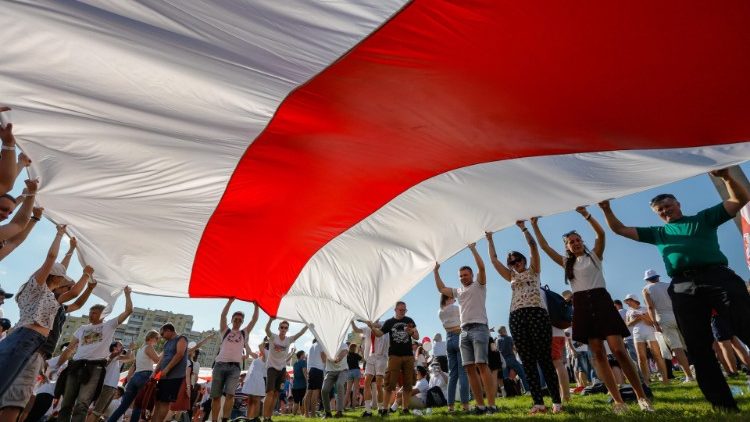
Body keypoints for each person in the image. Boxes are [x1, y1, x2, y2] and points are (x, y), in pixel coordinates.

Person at [599, 168, 750, 411]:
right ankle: (723, 405)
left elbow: (739, 200)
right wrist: (606, 209)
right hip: (682, 286)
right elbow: (620, 229)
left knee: (745, 324)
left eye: (668, 206)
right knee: (699, 347)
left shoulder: (703, 218)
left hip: (717, 276)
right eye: (660, 210)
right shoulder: (658, 233)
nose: (665, 211)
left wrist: (727, 178)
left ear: (678, 204)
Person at [532, 208, 653, 413]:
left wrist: (586, 215)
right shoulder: (566, 263)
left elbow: (601, 234)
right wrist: (534, 225)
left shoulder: (595, 256)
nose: (575, 243)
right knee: (597, 353)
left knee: (618, 350)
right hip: (581, 305)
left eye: (578, 240)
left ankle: (641, 397)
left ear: (582, 242)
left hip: (600, 301)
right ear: (568, 247)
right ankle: (618, 402)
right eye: (571, 242)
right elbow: (544, 246)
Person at [0, 234, 96, 422]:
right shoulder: (36, 289)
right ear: (55, 277)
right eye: (63, 278)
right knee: (5, 385)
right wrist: (60, 235)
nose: (66, 282)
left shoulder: (53, 298)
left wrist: (71, 250)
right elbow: (52, 260)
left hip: (36, 344)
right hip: (25, 337)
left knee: (18, 396)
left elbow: (71, 288)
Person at [486, 222, 562, 414]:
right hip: (517, 317)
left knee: (544, 359)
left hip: (537, 313)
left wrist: (524, 228)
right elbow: (494, 261)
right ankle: (538, 403)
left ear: (523, 260)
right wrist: (490, 239)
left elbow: (534, 247)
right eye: (511, 262)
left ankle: (556, 402)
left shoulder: (534, 271)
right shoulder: (510, 275)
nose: (515, 264)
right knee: (527, 361)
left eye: (517, 260)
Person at [433, 243, 496, 414]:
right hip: (464, 332)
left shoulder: (479, 285)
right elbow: (441, 288)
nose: (462, 277)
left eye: (465, 274)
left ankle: (492, 404)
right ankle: (480, 405)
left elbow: (482, 267)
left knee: (481, 365)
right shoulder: (458, 291)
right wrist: (435, 271)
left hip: (479, 328)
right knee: (468, 368)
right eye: (460, 275)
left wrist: (473, 249)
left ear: (471, 275)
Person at [56, 287, 133, 422]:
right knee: (66, 402)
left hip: (94, 368)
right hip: (76, 366)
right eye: (90, 312)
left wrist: (127, 294)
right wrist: (57, 366)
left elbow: (128, 311)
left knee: (82, 403)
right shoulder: (82, 328)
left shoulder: (109, 326)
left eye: (95, 313)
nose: (91, 315)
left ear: (103, 315)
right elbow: (69, 349)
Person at [641, 269, 694, 382]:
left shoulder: (646, 289)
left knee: (676, 347)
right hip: (677, 315)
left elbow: (650, 307)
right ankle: (698, 369)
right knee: (688, 344)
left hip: (663, 318)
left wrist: (654, 323)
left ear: (647, 280)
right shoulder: (668, 285)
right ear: (657, 277)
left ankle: (689, 376)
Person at [366, 302, 419, 415]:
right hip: (394, 356)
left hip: (408, 356)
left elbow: (417, 336)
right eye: (400, 310)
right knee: (390, 383)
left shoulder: (409, 320)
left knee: (408, 384)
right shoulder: (389, 322)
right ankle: (385, 409)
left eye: (404, 310)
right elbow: (379, 334)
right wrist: (371, 327)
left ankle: (405, 409)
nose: (402, 312)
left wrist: (411, 332)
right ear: (395, 310)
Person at [211, 299, 259, 422]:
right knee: (216, 396)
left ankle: (225, 419)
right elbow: (223, 315)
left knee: (230, 395)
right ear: (232, 320)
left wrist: (256, 306)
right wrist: (230, 301)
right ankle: (215, 420)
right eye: (235, 319)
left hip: (234, 368)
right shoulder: (225, 331)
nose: (237, 321)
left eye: (240, 320)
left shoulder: (244, 333)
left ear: (242, 322)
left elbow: (254, 320)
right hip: (220, 365)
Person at [108, 330, 162, 422]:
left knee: (123, 406)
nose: (157, 341)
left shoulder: (140, 349)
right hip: (145, 376)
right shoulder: (149, 347)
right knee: (138, 406)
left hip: (135, 377)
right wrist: (164, 353)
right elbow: (157, 360)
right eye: (156, 338)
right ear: (151, 338)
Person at [263, 319, 307, 422]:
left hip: (282, 369)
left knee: (276, 394)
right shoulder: (273, 337)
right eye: (282, 327)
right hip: (271, 368)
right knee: (269, 393)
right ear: (279, 328)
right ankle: (265, 417)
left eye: (285, 328)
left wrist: (307, 324)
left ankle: (269, 417)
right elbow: (266, 329)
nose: (283, 329)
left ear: (287, 329)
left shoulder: (288, 340)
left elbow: (300, 333)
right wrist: (270, 319)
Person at [624, 294, 669, 386]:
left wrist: (643, 317)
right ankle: (646, 381)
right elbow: (628, 324)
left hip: (650, 333)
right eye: (626, 301)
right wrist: (638, 318)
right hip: (636, 335)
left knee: (657, 355)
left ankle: (665, 379)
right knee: (641, 358)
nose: (627, 303)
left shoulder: (645, 309)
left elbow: (651, 322)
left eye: (629, 300)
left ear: (634, 300)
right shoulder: (628, 312)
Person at [437, 295, 469, 412]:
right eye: (453, 299)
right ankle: (465, 405)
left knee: (452, 375)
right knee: (463, 373)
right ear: (449, 298)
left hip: (448, 339)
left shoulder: (440, 312)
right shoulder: (456, 308)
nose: (455, 300)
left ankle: (450, 406)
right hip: (459, 337)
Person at [351, 320, 389, 417]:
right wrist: (351, 321)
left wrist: (367, 322)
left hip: (381, 357)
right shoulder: (367, 327)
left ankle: (381, 409)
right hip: (370, 357)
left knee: (379, 385)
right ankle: (368, 411)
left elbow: (378, 326)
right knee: (367, 383)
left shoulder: (383, 323)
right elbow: (356, 330)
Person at [151, 323, 189, 422]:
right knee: (158, 402)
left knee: (164, 402)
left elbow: (180, 354)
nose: (162, 337)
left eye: (162, 334)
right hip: (163, 376)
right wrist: (155, 372)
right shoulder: (167, 343)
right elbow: (162, 359)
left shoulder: (181, 338)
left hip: (174, 377)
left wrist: (166, 369)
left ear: (168, 330)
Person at [88, 341, 130, 422]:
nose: (122, 347)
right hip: (107, 386)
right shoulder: (112, 355)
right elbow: (128, 357)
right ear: (114, 348)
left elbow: (131, 358)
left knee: (99, 413)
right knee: (96, 412)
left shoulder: (117, 359)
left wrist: (131, 350)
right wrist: (131, 348)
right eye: (120, 345)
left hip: (112, 387)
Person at [321, 341, 348, 418]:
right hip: (330, 371)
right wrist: (324, 351)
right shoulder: (327, 346)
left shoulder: (343, 345)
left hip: (343, 370)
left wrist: (337, 359)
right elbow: (323, 359)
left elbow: (342, 354)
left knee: (339, 384)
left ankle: (339, 411)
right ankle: (328, 413)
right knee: (324, 390)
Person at [496, 327, 529, 391]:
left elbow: (498, 351)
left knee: (506, 378)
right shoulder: (509, 338)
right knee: (522, 374)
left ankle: (509, 392)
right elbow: (515, 348)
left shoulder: (497, 340)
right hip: (511, 358)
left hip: (503, 361)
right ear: (504, 331)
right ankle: (528, 390)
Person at [241, 343, 265, 421]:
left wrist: (266, 341)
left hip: (259, 379)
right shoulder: (257, 356)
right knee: (250, 399)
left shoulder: (266, 357)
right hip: (251, 378)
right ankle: (248, 418)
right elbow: (249, 351)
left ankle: (255, 418)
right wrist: (246, 342)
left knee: (256, 399)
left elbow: (260, 346)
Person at [613, 300, 639, 364]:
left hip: (628, 338)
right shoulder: (628, 311)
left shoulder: (619, 312)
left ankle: (641, 373)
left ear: (617, 305)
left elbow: (619, 325)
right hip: (634, 336)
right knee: (637, 356)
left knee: (634, 358)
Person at [303, 339, 324, 418]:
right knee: (315, 392)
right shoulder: (321, 344)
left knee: (308, 393)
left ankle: (306, 414)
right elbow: (324, 358)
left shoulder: (311, 346)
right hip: (318, 370)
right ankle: (313, 414)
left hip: (311, 370)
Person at [344, 343, 362, 410]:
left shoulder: (347, 356)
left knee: (348, 390)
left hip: (349, 372)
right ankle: (353, 407)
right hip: (356, 372)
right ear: (354, 348)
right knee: (355, 390)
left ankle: (343, 406)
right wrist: (360, 351)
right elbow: (362, 359)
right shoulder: (356, 355)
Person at [291, 350, 307, 416]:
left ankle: (293, 415)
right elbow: (304, 372)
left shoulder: (295, 363)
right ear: (301, 355)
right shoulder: (303, 362)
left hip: (294, 386)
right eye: (304, 354)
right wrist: (307, 380)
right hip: (302, 385)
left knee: (296, 402)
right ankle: (302, 414)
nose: (305, 355)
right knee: (302, 401)